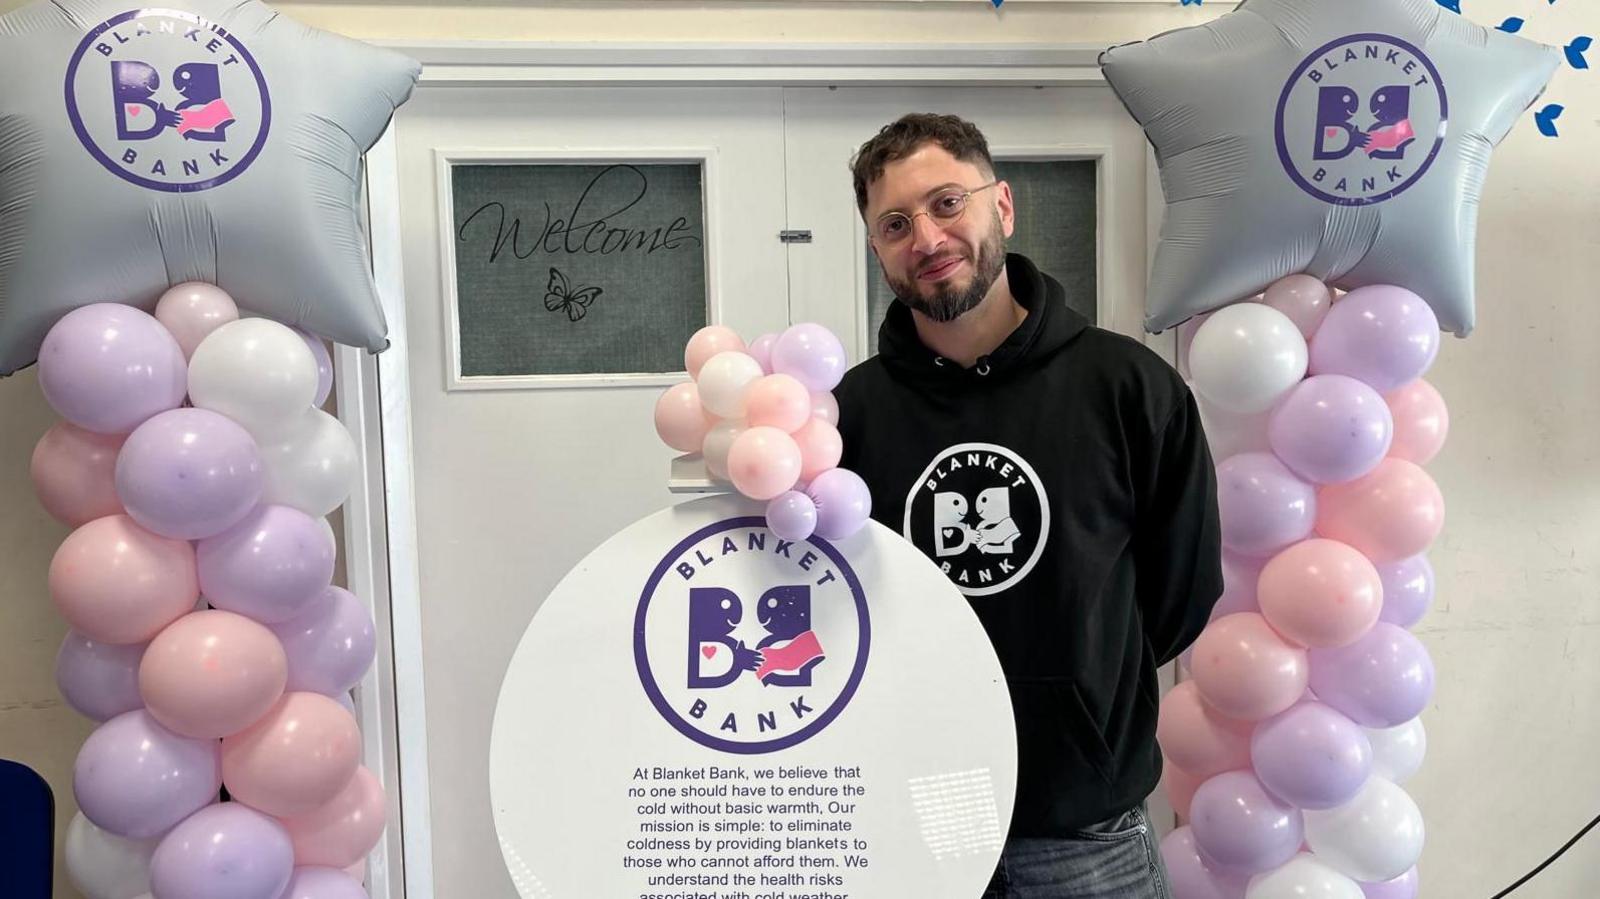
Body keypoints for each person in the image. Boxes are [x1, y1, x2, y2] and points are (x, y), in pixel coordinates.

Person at [834, 113, 1223, 898]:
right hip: (914, 823)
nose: (927, 237)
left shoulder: (1129, 388)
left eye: (948, 203)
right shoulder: (847, 414)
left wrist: (1078, 686)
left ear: (1002, 206)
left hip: (1087, 833)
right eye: (896, 223)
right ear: (878, 249)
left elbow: (1179, 597)